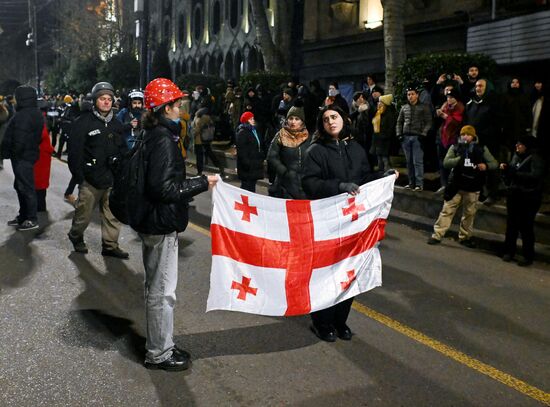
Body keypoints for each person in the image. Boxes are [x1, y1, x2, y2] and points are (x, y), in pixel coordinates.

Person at [135, 78, 217, 371]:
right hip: (159, 223)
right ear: (165, 107)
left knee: (158, 287)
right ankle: (159, 352)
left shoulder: (152, 134)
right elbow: (163, 189)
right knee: (161, 291)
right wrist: (200, 183)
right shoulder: (162, 140)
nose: (182, 106)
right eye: (177, 102)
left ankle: (163, 343)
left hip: (151, 221)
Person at [302, 105, 396, 342]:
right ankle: (322, 322)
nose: (331, 122)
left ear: (344, 119)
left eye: (334, 117)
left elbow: (364, 179)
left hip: (354, 223)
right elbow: (310, 184)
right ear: (321, 125)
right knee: (327, 274)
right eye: (325, 119)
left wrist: (383, 177)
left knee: (349, 272)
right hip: (328, 224)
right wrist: (338, 186)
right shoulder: (315, 151)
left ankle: (340, 321)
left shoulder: (356, 148)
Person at [67, 81, 129, 258]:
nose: (107, 102)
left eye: (109, 99)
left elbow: (122, 148)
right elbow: (74, 152)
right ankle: (75, 236)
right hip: (90, 180)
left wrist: (123, 165)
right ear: (95, 100)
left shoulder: (116, 123)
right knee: (83, 216)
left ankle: (110, 246)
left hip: (111, 179)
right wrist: (80, 177)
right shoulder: (83, 122)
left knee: (112, 215)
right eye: (102, 98)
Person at [427, 125, 498, 248]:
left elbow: (494, 163)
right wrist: (460, 159)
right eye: (463, 134)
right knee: (447, 211)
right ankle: (437, 235)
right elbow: (446, 162)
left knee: (469, 214)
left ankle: (465, 237)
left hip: (473, 186)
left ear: (473, 136)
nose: (465, 137)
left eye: (468, 134)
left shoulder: (481, 149)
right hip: (456, 185)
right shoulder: (455, 147)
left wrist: (485, 166)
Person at [1, 85, 44, 230]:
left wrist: (11, 152)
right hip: (27, 154)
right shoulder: (34, 113)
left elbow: (19, 138)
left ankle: (31, 218)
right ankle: (23, 216)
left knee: (26, 187)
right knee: (20, 186)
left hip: (22, 156)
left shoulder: (24, 115)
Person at [500, 136, 545, 266]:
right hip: (515, 194)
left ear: (527, 146)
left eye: (520, 144)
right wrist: (507, 170)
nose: (517, 147)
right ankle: (508, 251)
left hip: (529, 197)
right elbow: (513, 171)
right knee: (511, 225)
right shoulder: (516, 156)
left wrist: (514, 173)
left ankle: (528, 255)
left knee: (526, 226)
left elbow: (536, 176)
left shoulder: (535, 158)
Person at [267, 105, 311, 199]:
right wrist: (284, 171)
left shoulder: (308, 137)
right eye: (290, 118)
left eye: (296, 119)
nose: (293, 121)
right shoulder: (280, 135)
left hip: (302, 184)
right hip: (284, 184)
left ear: (302, 121)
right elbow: (271, 156)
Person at [396, 87, 432, 191]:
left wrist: (423, 134)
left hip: (417, 137)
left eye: (412, 94)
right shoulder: (404, 107)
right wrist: (399, 134)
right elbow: (399, 122)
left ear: (417, 95)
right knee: (409, 162)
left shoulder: (424, 107)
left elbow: (429, 122)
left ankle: (419, 184)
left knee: (417, 161)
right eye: (408, 94)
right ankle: (411, 183)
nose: (410, 96)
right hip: (406, 137)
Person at [435, 89, 464, 191]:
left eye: (451, 97)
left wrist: (446, 117)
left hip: (453, 139)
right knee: (442, 162)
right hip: (442, 138)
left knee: (452, 163)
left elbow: (457, 122)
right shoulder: (445, 106)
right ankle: (444, 184)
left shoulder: (460, 107)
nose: (449, 99)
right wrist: (438, 114)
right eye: (447, 97)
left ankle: (452, 185)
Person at [192, 104, 225, 177]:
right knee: (210, 154)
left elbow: (197, 129)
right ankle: (220, 167)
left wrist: (192, 135)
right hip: (206, 139)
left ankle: (199, 172)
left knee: (199, 156)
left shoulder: (199, 118)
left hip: (199, 140)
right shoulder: (209, 118)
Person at [34, 98, 55, 212]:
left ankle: (39, 206)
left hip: (40, 153)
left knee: (38, 181)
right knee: (42, 181)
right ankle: (41, 205)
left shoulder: (38, 119)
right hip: (45, 152)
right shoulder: (45, 117)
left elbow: (39, 135)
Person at [235, 111, 264, 192]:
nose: (253, 120)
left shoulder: (254, 131)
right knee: (246, 188)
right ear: (246, 120)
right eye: (251, 119)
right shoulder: (242, 132)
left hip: (254, 164)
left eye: (253, 118)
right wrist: (247, 163)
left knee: (251, 187)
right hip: (247, 167)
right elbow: (241, 151)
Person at [370, 94, 397, 172]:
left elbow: (391, 128)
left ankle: (388, 174)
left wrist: (384, 136)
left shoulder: (390, 114)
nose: (378, 104)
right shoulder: (378, 112)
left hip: (385, 140)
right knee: (379, 158)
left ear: (385, 104)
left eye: (380, 102)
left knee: (385, 158)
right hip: (377, 139)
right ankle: (381, 174)